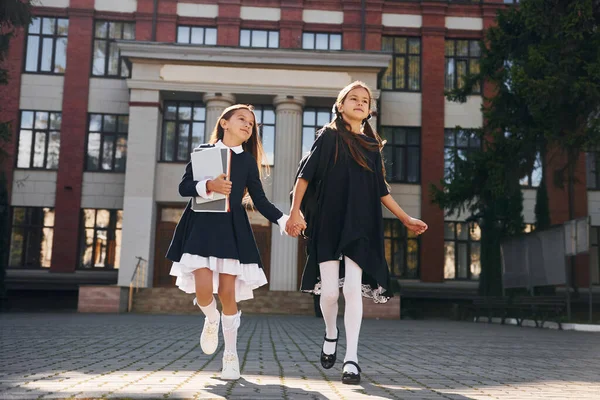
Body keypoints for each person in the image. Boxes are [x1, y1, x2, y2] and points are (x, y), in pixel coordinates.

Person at [287, 81, 428, 385]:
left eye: (365, 100)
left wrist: (405, 218)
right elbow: (304, 177)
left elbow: (381, 190)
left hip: (361, 223)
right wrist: (296, 211)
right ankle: (330, 333)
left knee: (352, 289)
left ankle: (351, 358)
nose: (361, 103)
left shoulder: (372, 146)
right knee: (328, 293)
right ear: (340, 105)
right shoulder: (328, 137)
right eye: (354, 98)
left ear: (368, 110)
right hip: (328, 221)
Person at [166, 104, 303, 380]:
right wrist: (208, 186)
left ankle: (230, 355)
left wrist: (284, 219)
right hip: (200, 228)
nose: (247, 126)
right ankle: (211, 318)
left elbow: (260, 200)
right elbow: (183, 187)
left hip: (231, 230)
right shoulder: (204, 153)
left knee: (227, 293)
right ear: (224, 123)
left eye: (251, 124)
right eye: (242, 119)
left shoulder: (247, 162)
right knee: (204, 292)